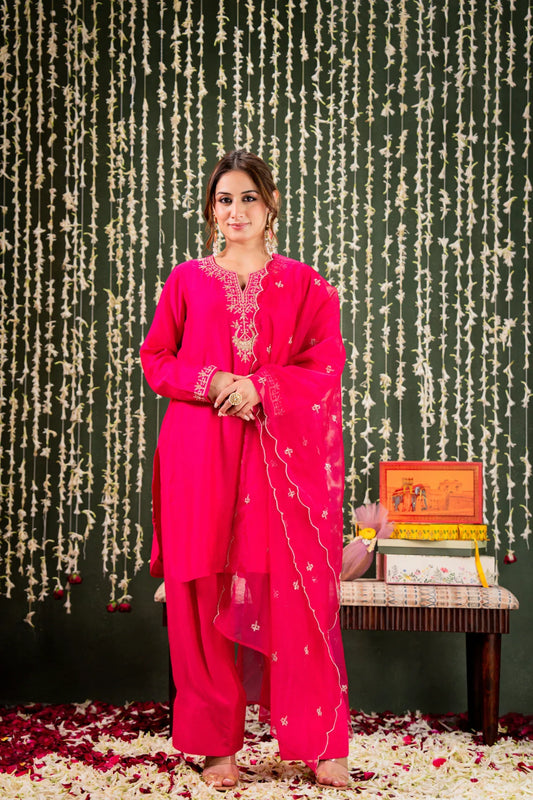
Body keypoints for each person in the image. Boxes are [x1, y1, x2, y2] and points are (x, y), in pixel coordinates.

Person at [140, 150, 351, 789]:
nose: (236, 211)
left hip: (277, 459)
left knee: (296, 590)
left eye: (249, 199)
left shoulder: (308, 285)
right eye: (225, 199)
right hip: (199, 454)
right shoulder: (186, 281)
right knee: (202, 590)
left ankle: (316, 739)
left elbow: (325, 364)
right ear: (211, 209)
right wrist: (213, 380)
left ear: (271, 205)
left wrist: (264, 388)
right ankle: (218, 746)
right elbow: (156, 360)